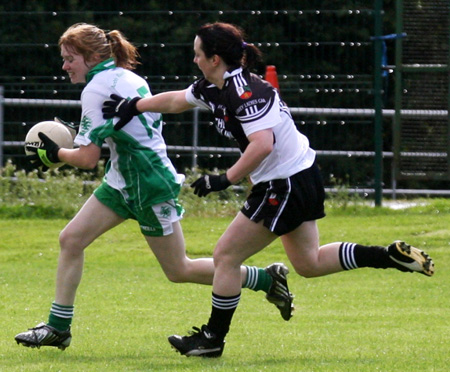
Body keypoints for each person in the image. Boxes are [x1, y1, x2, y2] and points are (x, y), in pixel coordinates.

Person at [102, 22, 435, 358]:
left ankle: (212, 338)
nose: (194, 60)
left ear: (215, 58)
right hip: (299, 177)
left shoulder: (245, 90)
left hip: (284, 183)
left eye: (198, 54)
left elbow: (262, 144)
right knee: (309, 263)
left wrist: (224, 179)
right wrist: (133, 106)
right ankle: (387, 256)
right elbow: (176, 101)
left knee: (226, 257)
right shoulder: (213, 86)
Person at [14, 23, 295, 351]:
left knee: (179, 269)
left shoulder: (94, 89)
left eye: (69, 59)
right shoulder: (127, 77)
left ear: (91, 56)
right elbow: (125, 126)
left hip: (147, 183)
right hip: (124, 179)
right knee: (71, 239)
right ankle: (58, 327)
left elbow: (88, 159)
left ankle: (264, 279)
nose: (64, 66)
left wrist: (53, 153)